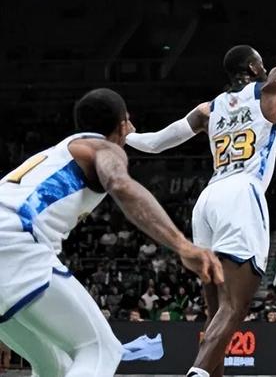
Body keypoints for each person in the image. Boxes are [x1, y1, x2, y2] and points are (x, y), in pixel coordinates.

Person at [126, 0, 276, 377]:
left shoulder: (207, 110)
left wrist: (125, 137)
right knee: (236, 306)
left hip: (207, 201)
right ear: (252, 69)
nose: (265, 67)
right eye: (260, 63)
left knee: (216, 314)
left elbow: (156, 143)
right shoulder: (269, 88)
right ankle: (196, 374)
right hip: (240, 195)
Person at [0, 88, 222, 377]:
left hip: (9, 241)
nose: (132, 129)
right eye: (129, 122)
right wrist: (183, 245)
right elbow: (120, 184)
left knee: (53, 365)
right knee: (100, 349)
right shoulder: (102, 148)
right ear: (121, 125)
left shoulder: (57, 153)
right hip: (15, 239)